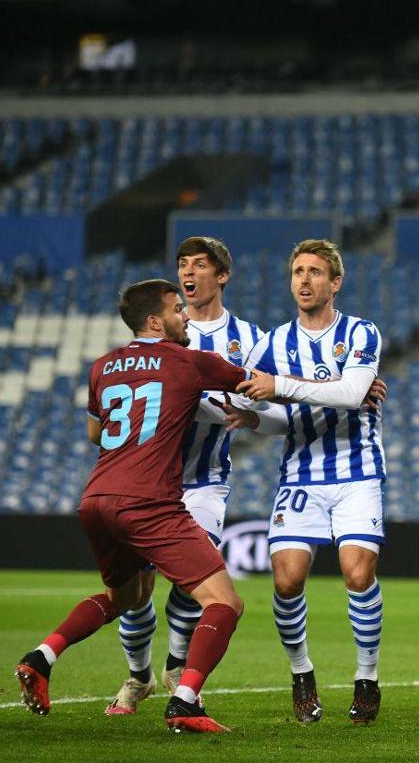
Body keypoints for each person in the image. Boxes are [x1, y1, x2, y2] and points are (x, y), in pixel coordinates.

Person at [14, 279, 256, 733]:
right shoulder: (188, 360)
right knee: (225, 603)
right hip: (150, 501)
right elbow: (256, 384)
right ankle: (184, 702)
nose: (185, 316)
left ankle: (41, 657)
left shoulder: (103, 366)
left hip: (97, 499)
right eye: (177, 309)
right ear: (154, 321)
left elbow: (96, 433)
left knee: (126, 598)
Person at [103, 236, 265, 716]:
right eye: (182, 264)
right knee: (136, 591)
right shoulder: (161, 331)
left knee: (195, 581)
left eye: (199, 264)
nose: (188, 272)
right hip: (146, 482)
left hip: (204, 480)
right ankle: (139, 677)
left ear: (222, 275)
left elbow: (260, 393)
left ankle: (177, 665)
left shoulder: (249, 338)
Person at [234, 239, 387, 725]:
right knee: (287, 580)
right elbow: (262, 408)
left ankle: (367, 677)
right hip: (300, 473)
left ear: (335, 282)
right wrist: (257, 417)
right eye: (297, 271)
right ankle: (301, 673)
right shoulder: (273, 343)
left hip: (357, 471)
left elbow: (353, 392)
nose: (304, 279)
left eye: (315, 272)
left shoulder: (361, 332)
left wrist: (280, 387)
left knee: (357, 574)